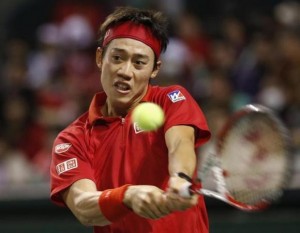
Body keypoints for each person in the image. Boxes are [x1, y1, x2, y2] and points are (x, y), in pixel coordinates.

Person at [50, 6, 211, 233]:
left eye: (139, 63)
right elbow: (82, 205)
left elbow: (180, 143)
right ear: (99, 58)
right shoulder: (72, 139)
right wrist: (127, 196)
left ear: (154, 70)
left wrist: (180, 177)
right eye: (117, 58)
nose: (126, 71)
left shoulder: (172, 99)